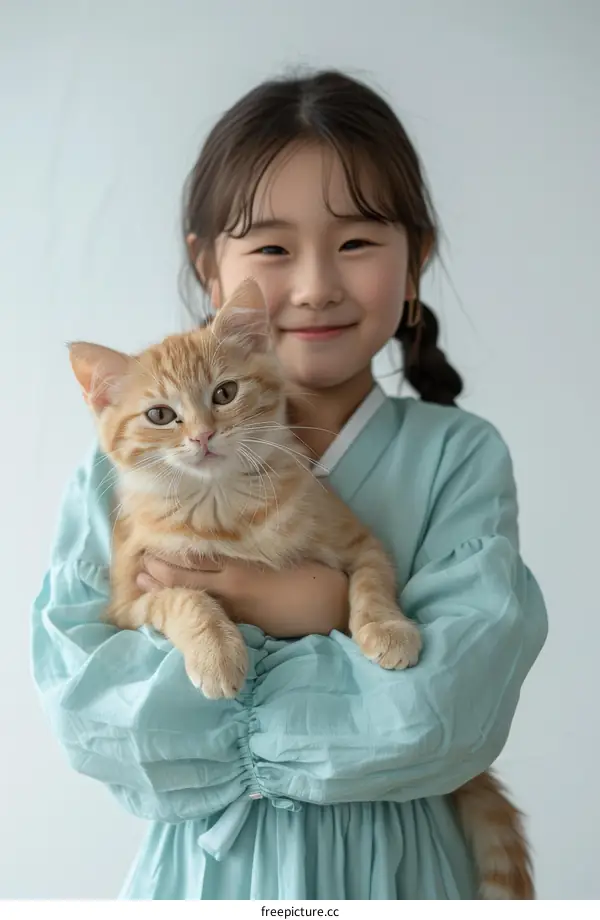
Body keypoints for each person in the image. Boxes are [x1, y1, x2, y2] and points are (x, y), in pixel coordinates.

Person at [32, 70, 547, 900]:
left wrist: (286, 611)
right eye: (271, 248)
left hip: (399, 874)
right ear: (212, 272)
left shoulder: (459, 456)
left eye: (356, 243)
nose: (314, 286)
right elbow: (94, 717)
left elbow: (446, 716)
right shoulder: (114, 476)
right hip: (205, 881)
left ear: (415, 260)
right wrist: (300, 623)